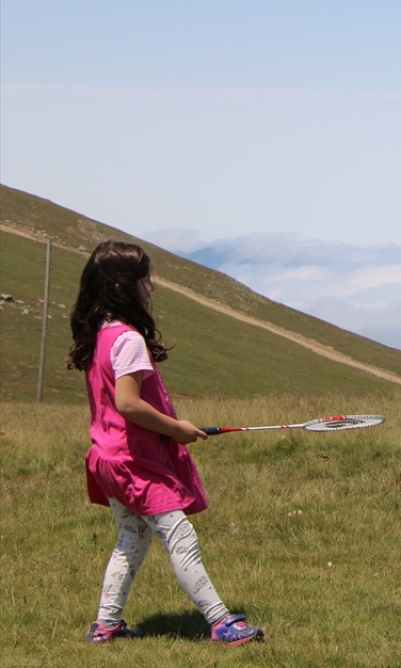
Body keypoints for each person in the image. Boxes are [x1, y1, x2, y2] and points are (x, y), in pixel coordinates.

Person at [68, 241, 265, 644]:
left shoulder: (100, 336)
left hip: (108, 458)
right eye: (146, 280)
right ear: (124, 287)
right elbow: (127, 403)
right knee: (180, 536)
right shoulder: (127, 340)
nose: (152, 287)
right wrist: (175, 429)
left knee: (131, 540)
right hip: (134, 460)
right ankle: (220, 622)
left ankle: (105, 626)